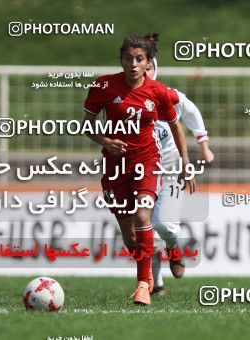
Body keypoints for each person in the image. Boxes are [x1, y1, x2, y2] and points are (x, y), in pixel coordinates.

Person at [82, 33, 194, 305]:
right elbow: (86, 124)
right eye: (128, 58)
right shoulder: (103, 86)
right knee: (131, 238)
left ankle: (144, 284)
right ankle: (148, 261)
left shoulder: (158, 92)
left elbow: (176, 125)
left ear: (148, 63)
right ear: (121, 61)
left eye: (139, 59)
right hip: (115, 166)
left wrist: (185, 161)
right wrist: (105, 141)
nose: (133, 64)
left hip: (147, 161)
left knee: (145, 218)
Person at [145, 49, 214, 296]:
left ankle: (174, 249)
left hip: (171, 167)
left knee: (163, 225)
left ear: (154, 68)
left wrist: (203, 146)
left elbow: (192, 111)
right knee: (143, 231)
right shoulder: (121, 98)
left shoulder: (166, 94)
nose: (143, 72)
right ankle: (155, 284)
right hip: (139, 170)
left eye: (148, 66)